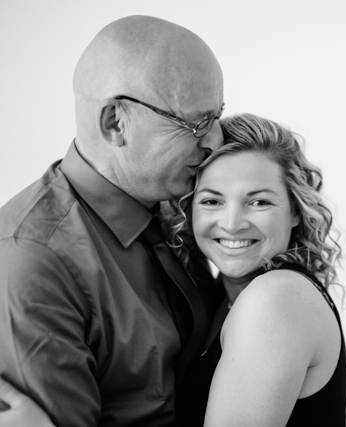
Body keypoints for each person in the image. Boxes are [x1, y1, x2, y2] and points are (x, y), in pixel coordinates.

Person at [0, 15, 224, 426]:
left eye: (217, 117)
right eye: (195, 124)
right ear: (115, 123)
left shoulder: (179, 198)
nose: (214, 141)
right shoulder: (34, 262)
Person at [170, 113, 346, 426]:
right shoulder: (223, 296)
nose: (233, 223)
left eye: (259, 202)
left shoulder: (274, 299)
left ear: (295, 210)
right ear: (190, 209)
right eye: (212, 201)